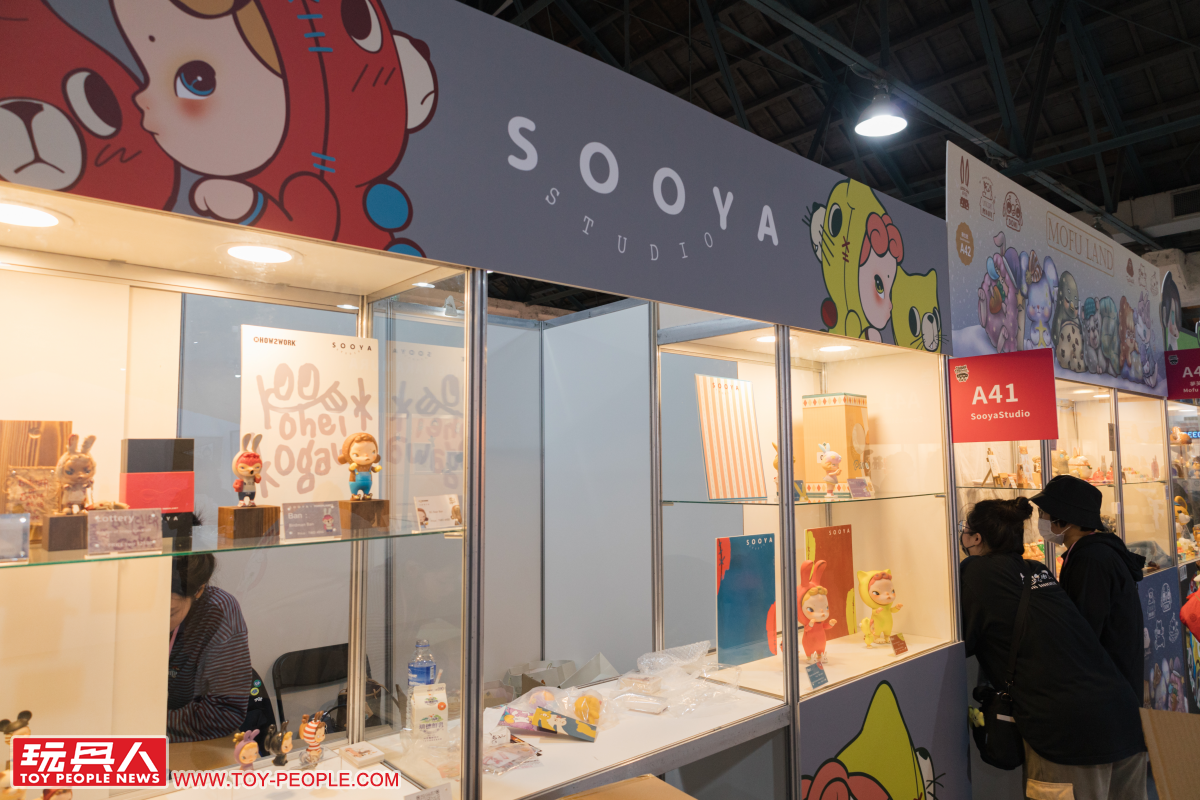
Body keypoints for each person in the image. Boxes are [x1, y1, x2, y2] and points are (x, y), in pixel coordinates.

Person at [960, 497, 1146, 800]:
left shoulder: (975, 572)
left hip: (1068, 734)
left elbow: (960, 642)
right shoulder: (1037, 570)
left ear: (976, 538)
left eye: (964, 529)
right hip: (1122, 716)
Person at [1031, 475, 1145, 699]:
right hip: (1112, 682)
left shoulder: (1091, 561)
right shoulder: (1092, 552)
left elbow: (1085, 629)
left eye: (1043, 513)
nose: (1041, 519)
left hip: (1107, 688)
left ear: (1065, 519)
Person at [168, 554, 252, 742]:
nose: (153, 622)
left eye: (170, 612)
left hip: (186, 742)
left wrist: (144, 724)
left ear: (199, 590)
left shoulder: (217, 612)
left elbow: (224, 713)